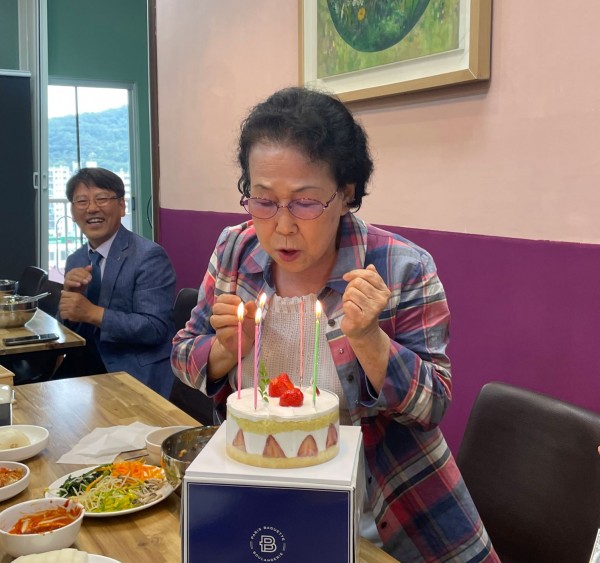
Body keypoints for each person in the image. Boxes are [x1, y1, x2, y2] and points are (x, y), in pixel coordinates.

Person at [171, 87, 498, 562]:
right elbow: (183, 354)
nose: (283, 226)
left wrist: (369, 339)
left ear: (345, 194)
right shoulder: (235, 250)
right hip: (261, 501)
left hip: (382, 515)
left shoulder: (401, 266)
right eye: (263, 200)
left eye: (305, 202)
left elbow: (433, 404)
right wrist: (226, 349)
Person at [58, 167, 176, 398]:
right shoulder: (76, 259)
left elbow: (154, 328)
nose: (92, 208)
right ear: (72, 211)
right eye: (82, 201)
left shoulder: (149, 256)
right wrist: (70, 300)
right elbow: (68, 329)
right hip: (83, 370)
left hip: (134, 372)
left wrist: (92, 313)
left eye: (101, 198)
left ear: (122, 206)